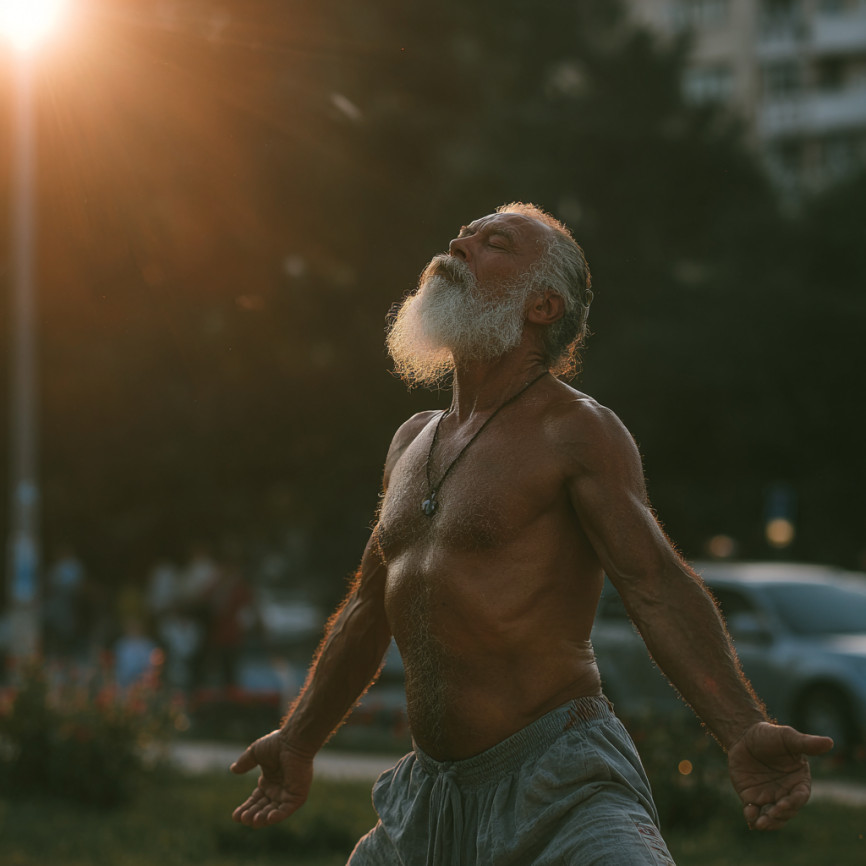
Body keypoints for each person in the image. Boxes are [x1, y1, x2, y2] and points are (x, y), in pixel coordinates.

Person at [230, 203, 833, 864]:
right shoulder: (411, 440)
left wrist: (742, 729)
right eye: (463, 231)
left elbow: (655, 585)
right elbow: (368, 612)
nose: (459, 241)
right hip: (429, 796)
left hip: (561, 783)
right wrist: (298, 739)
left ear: (542, 306)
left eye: (493, 242)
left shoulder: (577, 431)